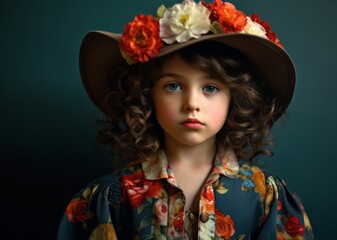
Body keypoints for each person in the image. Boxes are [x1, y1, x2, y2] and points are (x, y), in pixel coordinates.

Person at [58, 0, 314, 239]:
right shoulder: (111, 198)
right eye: (173, 86)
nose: (192, 103)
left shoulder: (266, 196)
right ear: (147, 96)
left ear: (235, 99)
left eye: (210, 88)